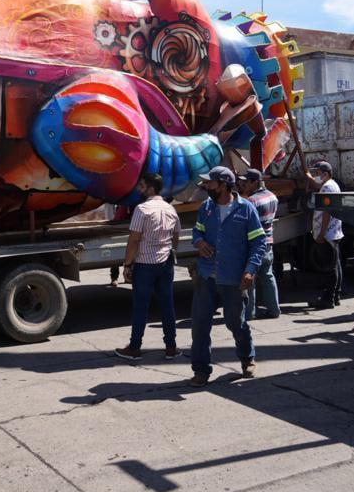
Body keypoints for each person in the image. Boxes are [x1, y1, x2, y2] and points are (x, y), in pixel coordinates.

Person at [190, 166, 267, 387]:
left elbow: (258, 242)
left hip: (233, 279)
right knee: (200, 325)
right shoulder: (206, 208)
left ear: (223, 185)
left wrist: (251, 269)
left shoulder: (246, 209)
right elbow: (197, 232)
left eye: (209, 183)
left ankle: (247, 358)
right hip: (207, 277)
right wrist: (200, 242)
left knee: (236, 323)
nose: (205, 186)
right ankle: (201, 370)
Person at [114, 172, 181, 360]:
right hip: (166, 263)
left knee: (141, 307)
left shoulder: (142, 210)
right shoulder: (170, 209)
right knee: (167, 305)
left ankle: (134, 347)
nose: (139, 189)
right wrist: (169, 251)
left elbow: (134, 239)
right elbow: (176, 236)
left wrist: (127, 264)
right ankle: (171, 347)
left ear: (150, 188)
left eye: (142, 186)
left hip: (145, 264)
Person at [237, 169, 280, 320]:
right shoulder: (272, 197)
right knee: (268, 276)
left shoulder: (251, 202)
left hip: (254, 245)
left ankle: (249, 314)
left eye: (246, 181)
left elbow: (244, 226)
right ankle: (274, 310)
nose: (243, 184)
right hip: (268, 242)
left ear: (255, 182)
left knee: (250, 280)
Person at [305, 160, 344, 309]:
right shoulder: (331, 185)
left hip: (328, 234)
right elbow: (316, 185)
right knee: (336, 265)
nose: (316, 176)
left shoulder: (327, 188)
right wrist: (309, 178)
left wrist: (321, 233)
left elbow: (327, 212)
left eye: (318, 173)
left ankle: (328, 299)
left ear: (326, 174)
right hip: (334, 232)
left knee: (329, 268)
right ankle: (336, 296)